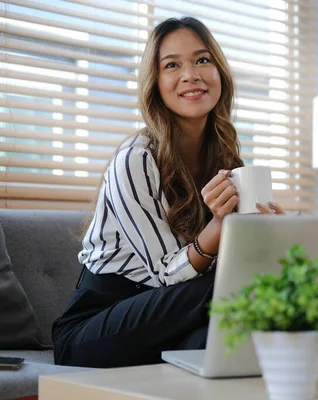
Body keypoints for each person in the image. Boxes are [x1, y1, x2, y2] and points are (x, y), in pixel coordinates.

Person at [52, 16, 285, 368]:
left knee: (218, 339)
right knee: (233, 289)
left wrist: (265, 236)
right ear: (155, 83)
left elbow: (226, 265)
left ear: (219, 72)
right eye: (172, 65)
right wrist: (220, 228)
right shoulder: (134, 159)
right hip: (98, 324)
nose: (190, 74)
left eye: (202, 60)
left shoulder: (225, 158)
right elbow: (166, 275)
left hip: (175, 315)